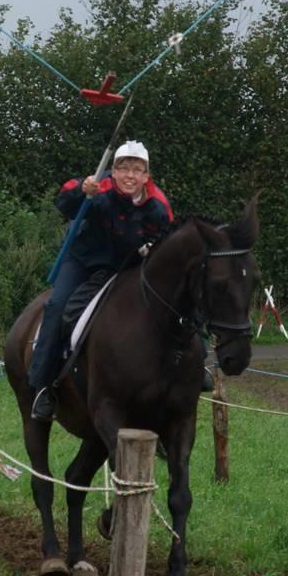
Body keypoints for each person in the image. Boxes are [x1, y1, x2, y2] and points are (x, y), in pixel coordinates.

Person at [29, 140, 177, 421]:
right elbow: (65, 201)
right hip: (84, 261)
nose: (129, 175)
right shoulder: (98, 186)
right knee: (58, 306)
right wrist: (80, 191)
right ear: (113, 171)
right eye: (123, 168)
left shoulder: (158, 205)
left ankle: (191, 366)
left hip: (129, 267)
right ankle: (42, 385)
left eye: (137, 169)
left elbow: (168, 243)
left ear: (146, 176)